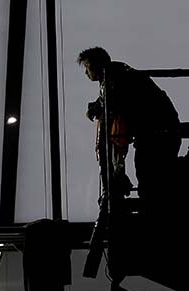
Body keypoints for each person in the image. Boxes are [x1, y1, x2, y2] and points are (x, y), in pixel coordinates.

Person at [77, 46, 181, 218]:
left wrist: (97, 109)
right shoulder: (119, 74)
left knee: (149, 178)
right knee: (153, 177)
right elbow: (109, 101)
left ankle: (155, 217)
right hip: (162, 132)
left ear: (96, 65)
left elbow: (113, 104)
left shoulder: (115, 80)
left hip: (156, 135)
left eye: (87, 66)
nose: (86, 72)